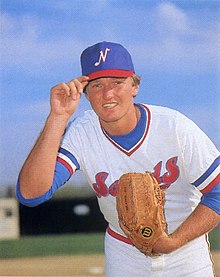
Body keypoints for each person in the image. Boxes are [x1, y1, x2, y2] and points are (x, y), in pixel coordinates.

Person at [16, 41, 220, 277]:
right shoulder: (82, 132)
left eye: (117, 82)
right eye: (97, 85)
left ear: (134, 86)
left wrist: (174, 241)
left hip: (185, 253)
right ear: (85, 93)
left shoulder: (174, 127)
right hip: (124, 254)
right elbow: (31, 194)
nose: (108, 93)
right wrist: (57, 117)